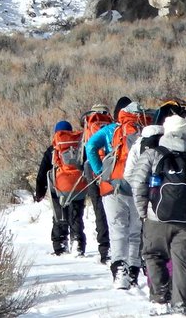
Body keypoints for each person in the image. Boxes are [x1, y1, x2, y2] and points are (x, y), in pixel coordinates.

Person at [131, 114, 186, 316]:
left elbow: (137, 183)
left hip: (155, 218)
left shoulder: (151, 155)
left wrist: (143, 211)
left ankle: (160, 299)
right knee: (183, 263)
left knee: (153, 255)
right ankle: (181, 306)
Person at [85, 98, 150, 290]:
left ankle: (119, 270)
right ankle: (133, 270)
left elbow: (90, 147)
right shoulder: (145, 129)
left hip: (113, 184)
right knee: (134, 230)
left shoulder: (111, 130)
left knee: (118, 228)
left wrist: (99, 172)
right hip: (139, 184)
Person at [35, 120, 87, 255]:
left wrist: (39, 193)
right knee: (76, 216)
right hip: (78, 186)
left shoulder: (53, 149)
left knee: (59, 216)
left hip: (58, 187)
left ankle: (60, 246)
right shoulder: (79, 147)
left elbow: (42, 173)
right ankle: (78, 243)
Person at [79, 103, 114, 263]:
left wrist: (97, 171)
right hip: (111, 166)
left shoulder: (88, 124)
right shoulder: (111, 125)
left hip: (92, 169)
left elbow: (86, 150)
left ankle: (104, 248)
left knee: (99, 208)